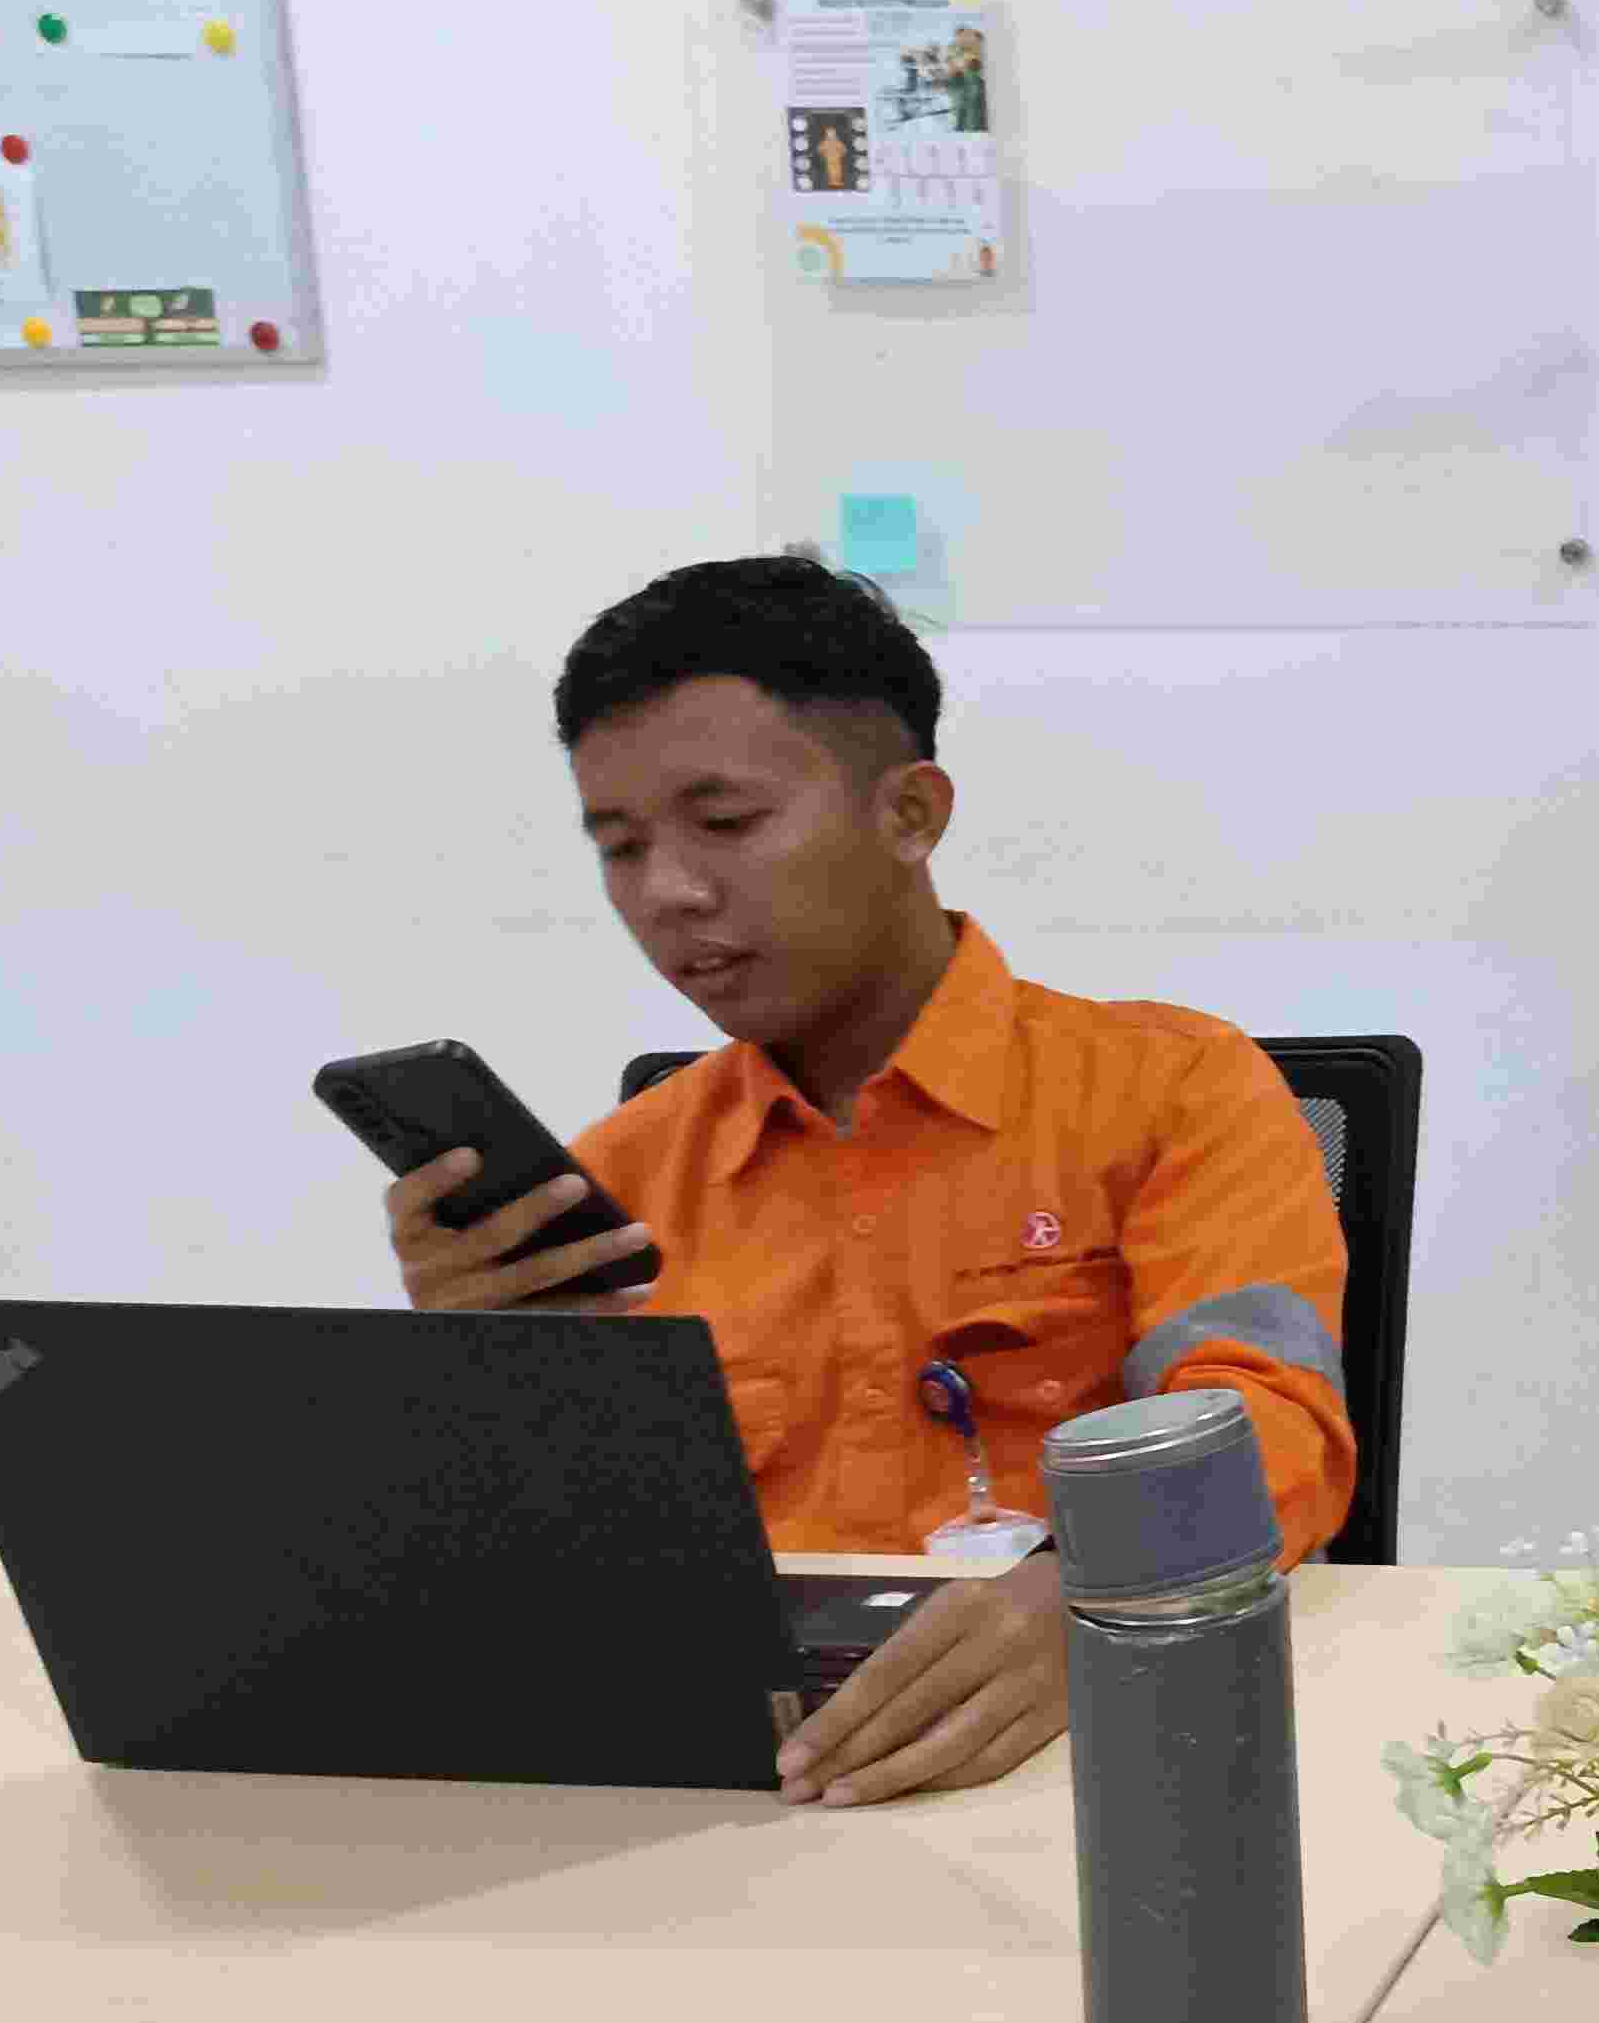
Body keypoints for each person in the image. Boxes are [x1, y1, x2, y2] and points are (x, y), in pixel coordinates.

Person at [381, 557, 1356, 1809]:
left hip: (1082, 1749)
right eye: (619, 846)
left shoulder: (1171, 1089)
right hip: (735, 1781)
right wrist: (475, 1382)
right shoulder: (615, 1177)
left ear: (909, 813)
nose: (667, 891)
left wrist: (1100, 1590)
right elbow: (554, 1574)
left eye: (725, 822)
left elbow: (1266, 1419)